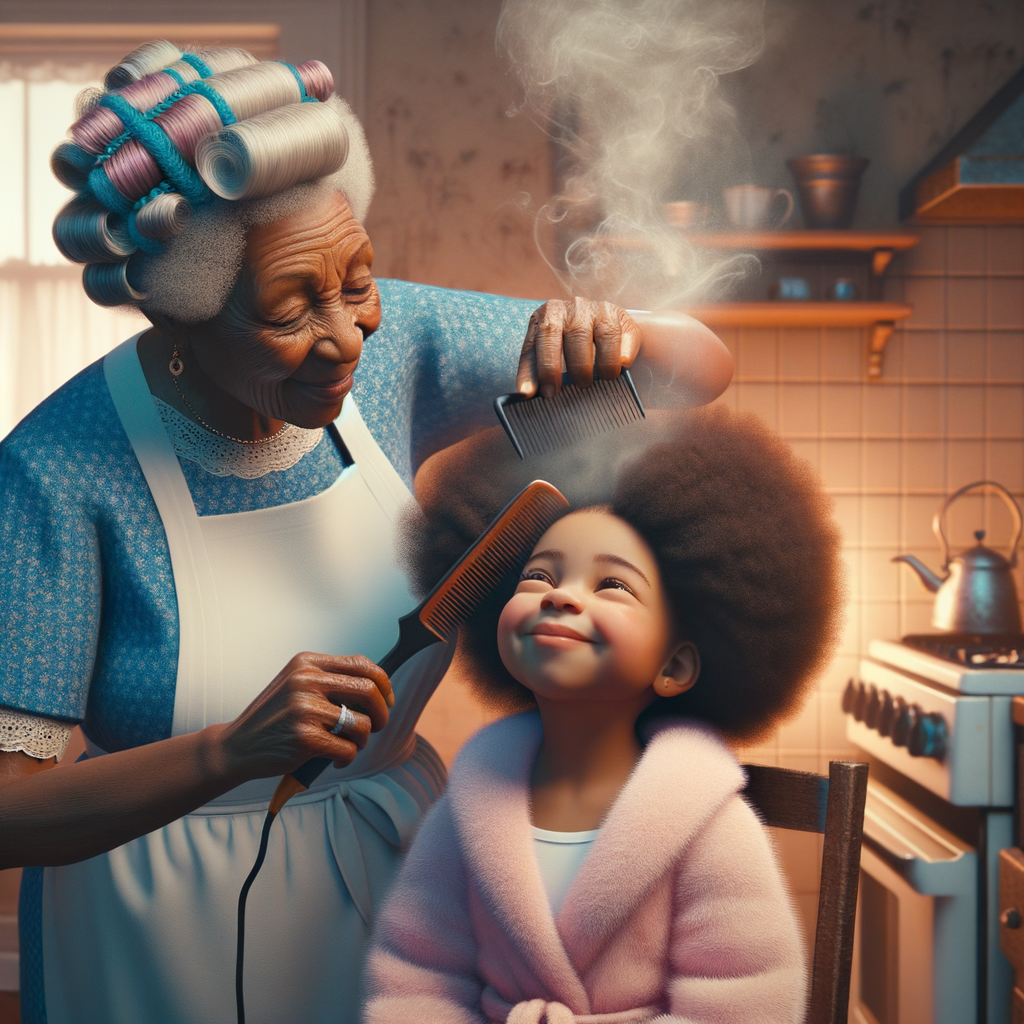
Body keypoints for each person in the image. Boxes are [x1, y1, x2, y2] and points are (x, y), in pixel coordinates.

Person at [0, 40, 732, 1024]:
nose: (346, 332)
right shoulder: (58, 467)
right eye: (291, 308)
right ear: (183, 315)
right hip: (148, 934)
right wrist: (228, 752)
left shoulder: (395, 356)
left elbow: (697, 369)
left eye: (357, 280)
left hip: (394, 896)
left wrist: (614, 337)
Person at [364, 406, 844, 1024]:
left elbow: (748, 1002)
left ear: (675, 665)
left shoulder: (708, 828)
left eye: (612, 586)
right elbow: (413, 975)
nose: (561, 595)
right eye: (538, 575)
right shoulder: (466, 812)